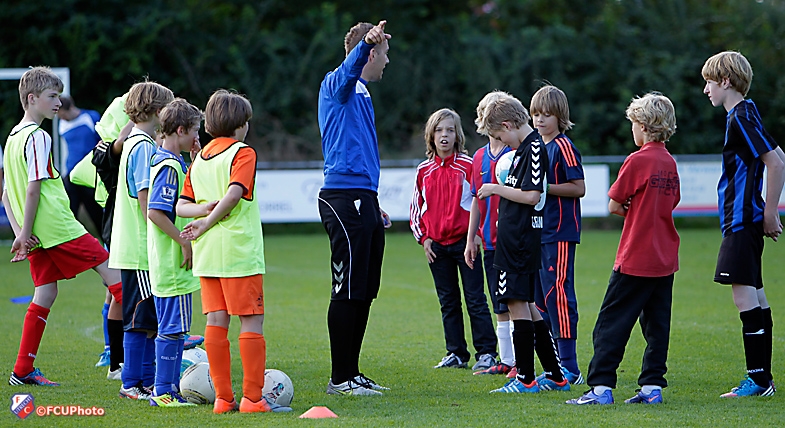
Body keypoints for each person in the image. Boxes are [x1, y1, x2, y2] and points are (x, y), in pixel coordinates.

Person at [4, 66, 122, 387]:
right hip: (58, 228)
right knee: (121, 283)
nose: (58, 102)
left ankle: (23, 369)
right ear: (32, 99)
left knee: (45, 293)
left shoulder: (13, 137)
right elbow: (32, 188)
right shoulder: (38, 136)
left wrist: (20, 233)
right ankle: (124, 362)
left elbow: (5, 192)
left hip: (39, 233)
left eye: (58, 96)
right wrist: (24, 234)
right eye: (52, 97)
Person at [177, 89, 291, 414]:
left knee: (216, 322)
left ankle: (223, 399)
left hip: (209, 254)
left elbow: (181, 207)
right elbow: (235, 194)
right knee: (252, 322)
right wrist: (210, 219)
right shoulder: (243, 153)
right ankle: (253, 400)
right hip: (239, 252)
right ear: (240, 124)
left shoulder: (199, 159)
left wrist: (200, 218)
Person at [567, 92, 680, 405]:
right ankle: (651, 387)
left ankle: (601, 388)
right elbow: (671, 202)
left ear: (643, 125)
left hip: (636, 256)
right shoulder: (669, 162)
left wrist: (629, 206)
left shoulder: (638, 159)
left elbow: (615, 204)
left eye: (633, 123)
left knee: (611, 323)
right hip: (666, 256)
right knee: (657, 325)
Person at [702, 51, 784, 398]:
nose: (706, 89)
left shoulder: (740, 117)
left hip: (742, 222)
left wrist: (770, 213)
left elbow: (777, 162)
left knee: (743, 299)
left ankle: (758, 380)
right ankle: (763, 379)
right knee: (756, 297)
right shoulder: (744, 113)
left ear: (725, 81)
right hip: (743, 221)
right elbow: (774, 158)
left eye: (709, 81)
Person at [316, 20, 392, 396]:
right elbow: (349, 69)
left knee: (363, 289)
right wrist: (365, 44)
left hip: (364, 199)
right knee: (346, 289)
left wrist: (374, 203)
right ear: (371, 53)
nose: (386, 62)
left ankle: (352, 371)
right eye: (384, 55)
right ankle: (339, 378)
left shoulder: (362, 93)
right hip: (343, 198)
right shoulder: (337, 83)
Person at [474, 91, 566, 394]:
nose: (501, 141)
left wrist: (495, 189)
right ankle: (555, 375)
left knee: (515, 303)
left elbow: (532, 196)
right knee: (527, 304)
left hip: (520, 239)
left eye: (499, 135)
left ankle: (525, 378)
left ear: (509, 124)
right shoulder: (525, 148)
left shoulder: (532, 148)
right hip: (515, 236)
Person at [410, 108, 498, 371]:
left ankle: (486, 352)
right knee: (448, 301)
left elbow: (480, 202)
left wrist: (477, 236)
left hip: (465, 243)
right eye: (439, 130)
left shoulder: (469, 166)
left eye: (449, 130)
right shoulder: (423, 170)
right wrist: (424, 238)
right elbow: (417, 206)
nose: (444, 135)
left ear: (457, 134)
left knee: (475, 299)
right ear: (431, 136)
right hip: (437, 246)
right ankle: (456, 352)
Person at [109, 81, 174, 400]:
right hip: (139, 248)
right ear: (158, 110)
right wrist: (163, 238)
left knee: (146, 317)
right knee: (140, 318)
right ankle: (132, 383)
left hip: (134, 246)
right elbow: (146, 201)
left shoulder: (136, 141)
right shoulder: (143, 147)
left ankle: (144, 380)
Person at [146, 98, 204, 407]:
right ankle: (163, 393)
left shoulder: (167, 159)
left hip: (167, 263)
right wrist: (183, 242)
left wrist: (194, 160)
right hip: (172, 263)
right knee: (172, 330)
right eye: (194, 131)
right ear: (179, 130)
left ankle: (168, 390)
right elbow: (156, 212)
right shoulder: (169, 165)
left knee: (174, 329)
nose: (197, 137)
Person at [529, 85, 586, 385]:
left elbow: (579, 188)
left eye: (546, 115)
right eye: (536, 114)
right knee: (540, 299)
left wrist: (546, 189)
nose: (539, 120)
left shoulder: (563, 146)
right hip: (540, 232)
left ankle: (570, 368)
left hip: (560, 233)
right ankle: (553, 366)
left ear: (560, 116)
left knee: (559, 295)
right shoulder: (537, 146)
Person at [466, 132, 515, 376]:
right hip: (489, 243)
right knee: (498, 302)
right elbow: (476, 198)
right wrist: (470, 237)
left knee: (516, 300)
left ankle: (520, 363)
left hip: (512, 241)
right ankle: (507, 360)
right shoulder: (479, 156)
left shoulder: (515, 153)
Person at [56, 95, 104, 231]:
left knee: (97, 214)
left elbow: (102, 141)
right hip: (71, 174)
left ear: (71, 108)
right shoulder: (62, 124)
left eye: (63, 114)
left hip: (89, 174)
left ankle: (109, 246)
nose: (62, 118)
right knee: (70, 215)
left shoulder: (90, 117)